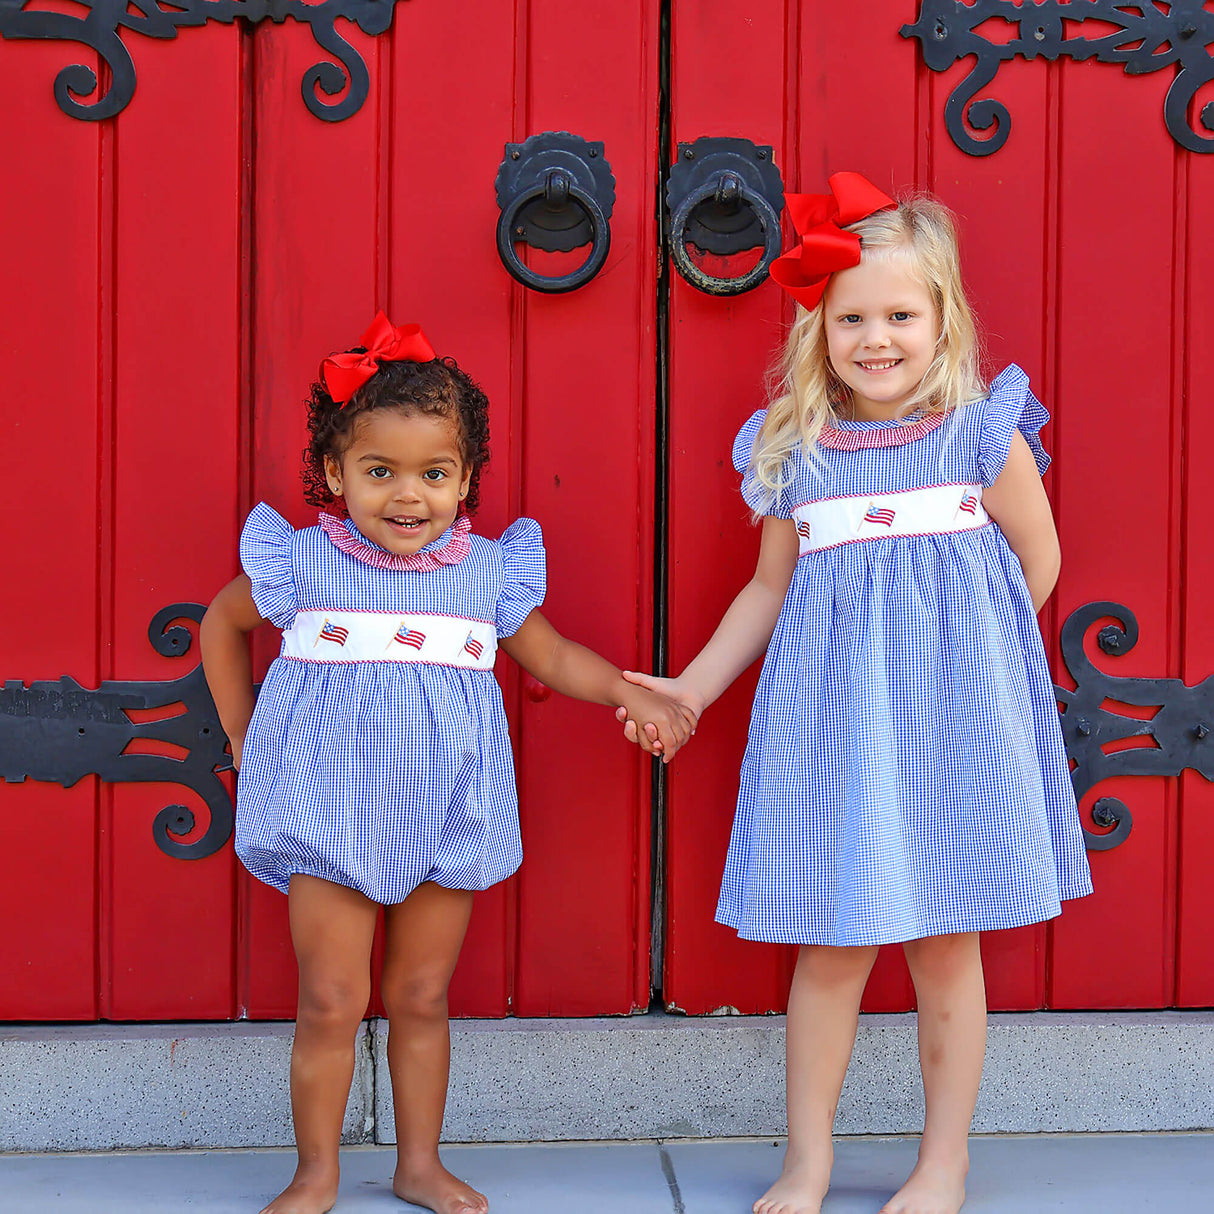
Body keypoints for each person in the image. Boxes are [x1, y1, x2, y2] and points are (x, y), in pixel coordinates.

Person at [620, 174, 1092, 1214]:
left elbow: (1036, 557)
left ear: (941, 320)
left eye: (898, 315)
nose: (874, 338)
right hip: (839, 726)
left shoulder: (978, 434)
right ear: (815, 327)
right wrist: (688, 688)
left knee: (943, 942)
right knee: (832, 946)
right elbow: (764, 589)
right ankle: (807, 1158)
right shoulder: (797, 455)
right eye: (850, 318)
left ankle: (942, 1159)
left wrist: (971, 661)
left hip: (955, 722)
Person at [201, 313, 695, 1214]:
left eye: (434, 474)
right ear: (333, 474)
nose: (407, 496)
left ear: (465, 479)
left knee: (422, 995)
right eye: (378, 472)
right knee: (331, 1000)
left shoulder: (487, 573)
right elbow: (221, 627)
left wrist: (633, 694)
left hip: (446, 811)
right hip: (325, 811)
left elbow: (553, 657)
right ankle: (316, 1174)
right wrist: (245, 738)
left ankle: (417, 1163)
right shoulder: (304, 564)